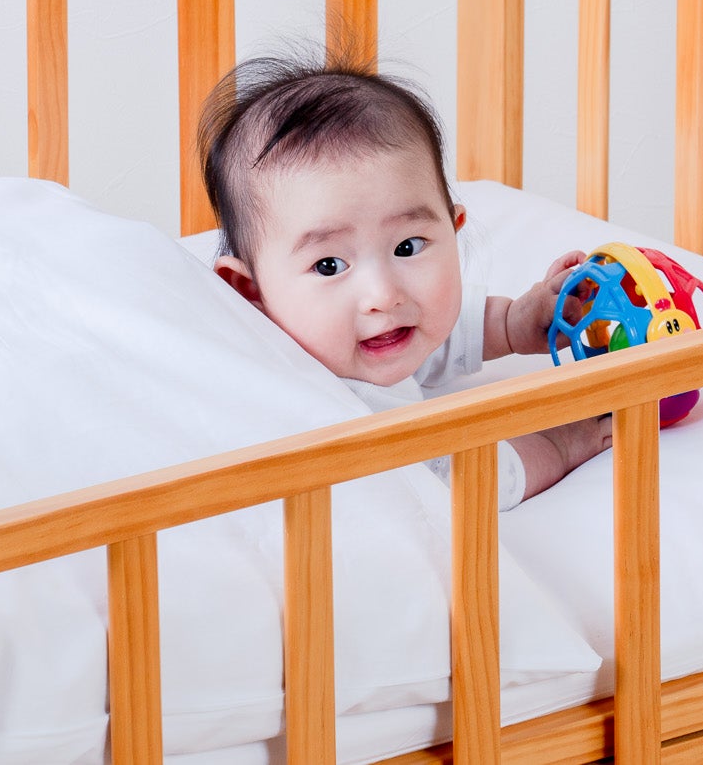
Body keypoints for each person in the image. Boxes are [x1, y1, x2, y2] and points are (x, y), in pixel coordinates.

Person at [198, 51, 612, 509]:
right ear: (250, 292)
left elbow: (435, 341)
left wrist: (514, 322)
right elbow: (471, 480)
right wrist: (559, 444)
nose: (384, 295)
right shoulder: (335, 415)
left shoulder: (342, 345)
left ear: (453, 227)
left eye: (408, 247)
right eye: (329, 265)